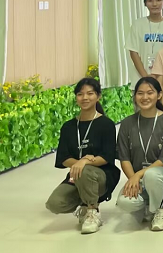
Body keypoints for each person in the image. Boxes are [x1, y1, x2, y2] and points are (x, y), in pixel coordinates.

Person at [45, 78, 120, 234]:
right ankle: (85, 203)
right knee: (54, 204)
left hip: (102, 175)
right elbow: (64, 158)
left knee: (85, 170)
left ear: (98, 96)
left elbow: (106, 157)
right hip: (77, 175)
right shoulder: (68, 127)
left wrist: (84, 162)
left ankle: (92, 211)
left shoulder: (106, 124)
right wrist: (81, 162)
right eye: (80, 94)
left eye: (90, 93)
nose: (85, 98)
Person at [115, 77, 163, 231]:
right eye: (140, 93)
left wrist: (138, 175)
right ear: (135, 96)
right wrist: (133, 179)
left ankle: (161, 211)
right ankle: (147, 206)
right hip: (140, 178)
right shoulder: (127, 123)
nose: (145, 97)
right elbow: (124, 158)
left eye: (150, 93)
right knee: (124, 202)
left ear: (159, 95)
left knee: (152, 175)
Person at [127, 0, 163, 83]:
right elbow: (133, 52)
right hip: (140, 79)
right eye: (150, 0)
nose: (154, 4)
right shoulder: (138, 24)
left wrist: (160, 77)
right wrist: (145, 77)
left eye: (158, 0)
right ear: (145, 3)